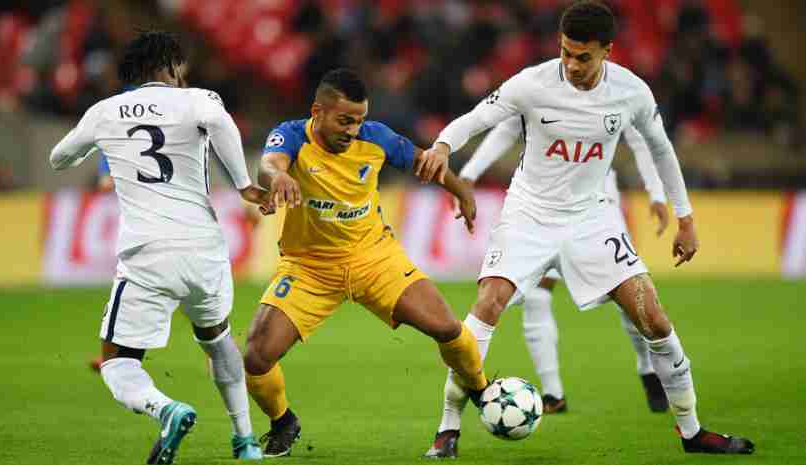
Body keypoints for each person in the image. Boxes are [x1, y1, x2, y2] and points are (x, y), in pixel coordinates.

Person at [418, 1, 754, 457]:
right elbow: (478, 119)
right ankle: (448, 429)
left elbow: (661, 149)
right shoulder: (532, 83)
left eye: (583, 57)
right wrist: (442, 146)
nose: (571, 65)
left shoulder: (631, 92)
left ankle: (692, 432)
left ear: (607, 51)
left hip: (592, 218)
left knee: (654, 319)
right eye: (565, 52)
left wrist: (686, 217)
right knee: (487, 305)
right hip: (529, 214)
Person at [242, 68, 489, 458]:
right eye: (344, 121)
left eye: (358, 121)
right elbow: (269, 164)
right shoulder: (291, 135)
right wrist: (279, 178)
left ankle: (482, 390)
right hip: (310, 268)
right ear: (317, 112)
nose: (353, 130)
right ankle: (283, 421)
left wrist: (462, 192)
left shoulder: (377, 138)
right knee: (257, 355)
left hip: (374, 258)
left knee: (446, 327)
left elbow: (426, 163)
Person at [49, 31, 269, 464]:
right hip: (204, 249)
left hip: (148, 252)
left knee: (116, 362)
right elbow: (222, 124)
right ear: (170, 66)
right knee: (217, 336)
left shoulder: (104, 111)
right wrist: (244, 183)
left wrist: (92, 147)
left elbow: (59, 157)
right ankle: (246, 441)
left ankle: (166, 410)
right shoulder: (198, 100)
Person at [446, 116, 670, 418]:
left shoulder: (611, 95)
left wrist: (656, 192)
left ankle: (647, 366)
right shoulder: (536, 93)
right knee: (537, 295)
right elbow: (507, 127)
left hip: (596, 205)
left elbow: (640, 138)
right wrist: (469, 174)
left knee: (630, 297)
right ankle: (553, 393)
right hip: (543, 205)